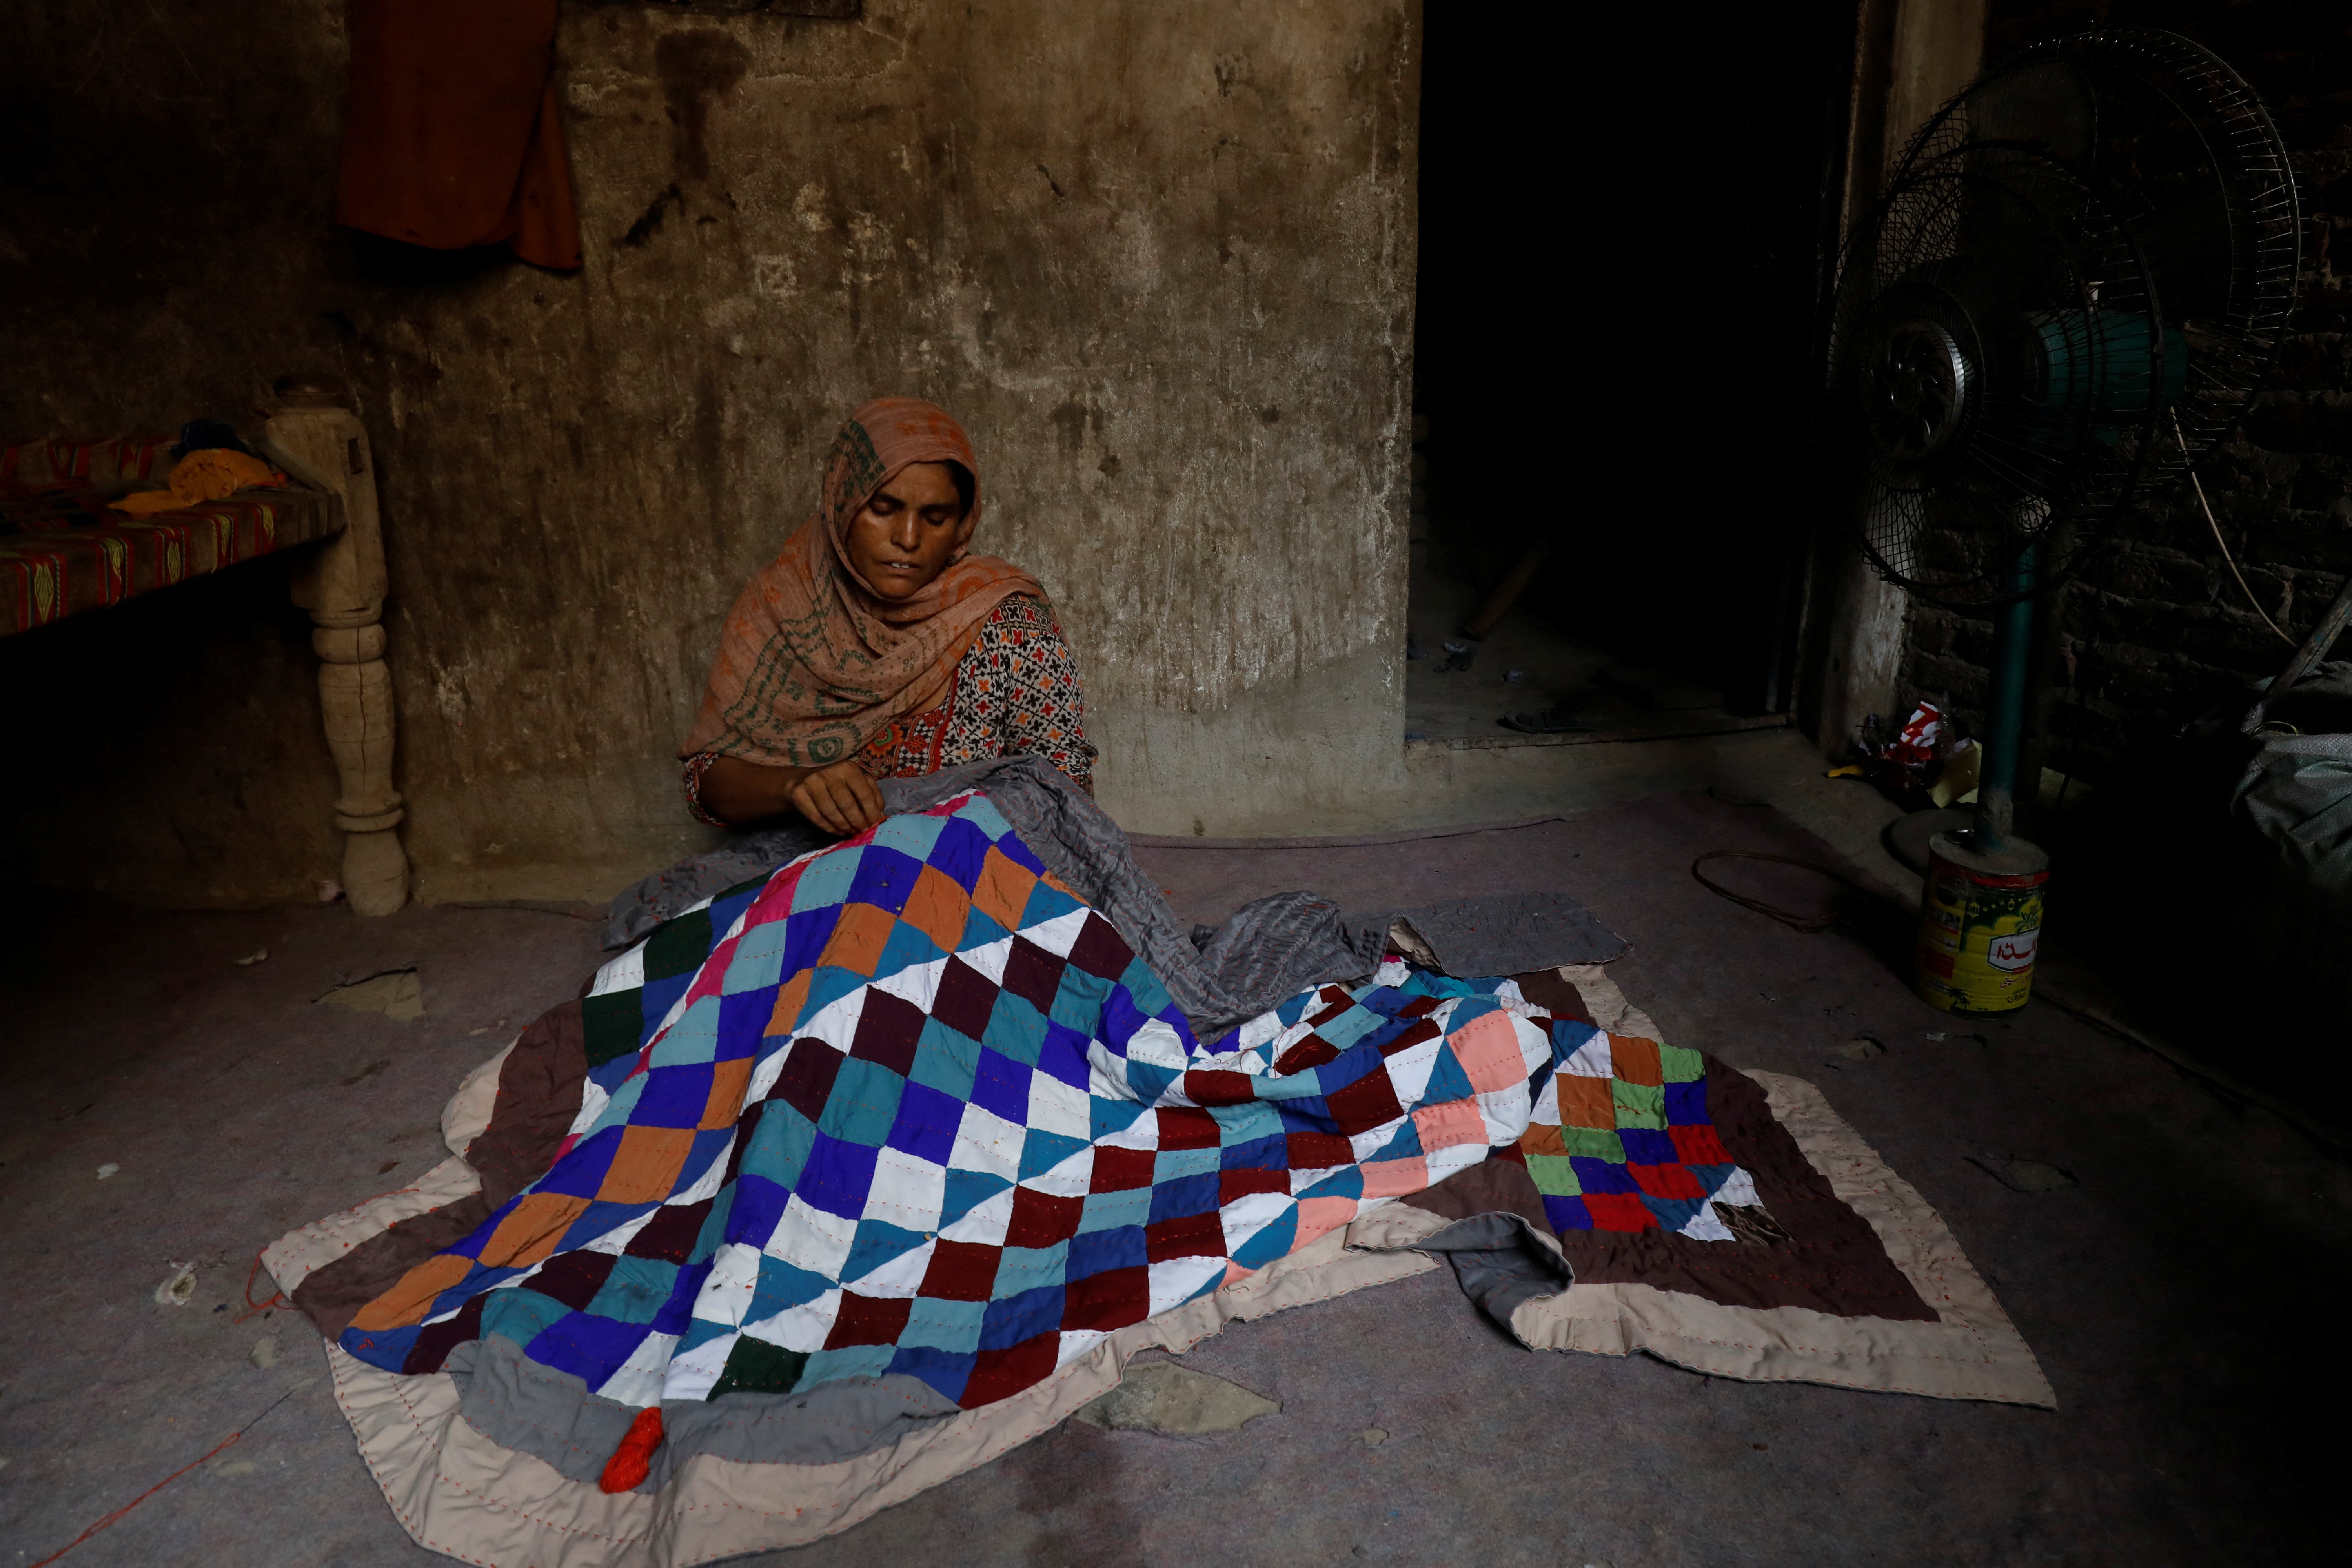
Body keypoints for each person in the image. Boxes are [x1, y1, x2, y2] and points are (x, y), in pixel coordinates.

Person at [679, 398, 1094, 836]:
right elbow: (704, 780)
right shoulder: (779, 607)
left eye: (935, 518)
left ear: (961, 527)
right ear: (842, 504)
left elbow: (1064, 793)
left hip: (966, 872)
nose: (908, 539)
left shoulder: (1009, 624)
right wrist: (791, 786)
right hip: (803, 877)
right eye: (883, 509)